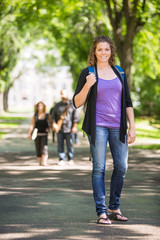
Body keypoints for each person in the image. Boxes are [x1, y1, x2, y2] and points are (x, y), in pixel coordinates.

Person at [73, 35, 136, 225]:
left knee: (121, 167)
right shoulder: (88, 73)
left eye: (106, 49)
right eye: (99, 49)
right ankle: (101, 212)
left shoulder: (120, 73)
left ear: (111, 51)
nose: (103, 52)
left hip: (118, 126)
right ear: (94, 51)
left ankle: (114, 206)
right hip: (98, 125)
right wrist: (88, 84)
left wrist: (132, 126)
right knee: (99, 168)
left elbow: (127, 101)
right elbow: (77, 102)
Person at [51, 89, 79, 165]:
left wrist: (74, 127)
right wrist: (54, 124)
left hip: (69, 128)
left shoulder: (72, 105)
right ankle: (61, 159)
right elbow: (53, 116)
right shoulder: (57, 105)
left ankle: (70, 158)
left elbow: (75, 117)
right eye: (61, 94)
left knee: (70, 144)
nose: (62, 95)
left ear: (67, 94)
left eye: (63, 94)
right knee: (60, 144)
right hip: (59, 128)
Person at [28, 101, 51, 166]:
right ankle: (40, 162)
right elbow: (32, 125)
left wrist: (48, 128)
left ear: (44, 107)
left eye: (41, 106)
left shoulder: (47, 115)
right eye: (39, 106)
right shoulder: (35, 116)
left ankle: (44, 162)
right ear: (37, 107)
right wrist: (29, 133)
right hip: (36, 134)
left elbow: (50, 123)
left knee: (44, 148)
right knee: (38, 148)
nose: (40, 107)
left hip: (44, 134)